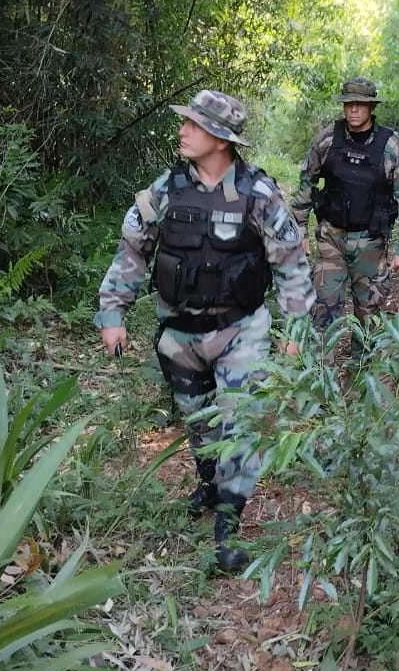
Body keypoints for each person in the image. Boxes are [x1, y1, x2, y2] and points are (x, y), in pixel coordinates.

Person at [94, 89, 315, 573]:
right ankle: (210, 480)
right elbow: (133, 250)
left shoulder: (259, 195)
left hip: (242, 330)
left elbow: (292, 265)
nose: (183, 131)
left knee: (241, 420)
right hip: (180, 334)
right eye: (186, 123)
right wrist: (113, 313)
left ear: (221, 138)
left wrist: (296, 328)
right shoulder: (166, 190)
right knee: (199, 421)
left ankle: (229, 521)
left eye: (193, 124)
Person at [290, 77, 399, 359]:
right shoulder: (326, 140)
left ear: (371, 107)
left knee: (368, 313)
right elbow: (305, 185)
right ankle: (323, 377)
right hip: (331, 238)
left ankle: (361, 372)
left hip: (371, 243)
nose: (354, 110)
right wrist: (298, 228)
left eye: (360, 105)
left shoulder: (391, 146)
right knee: (324, 307)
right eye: (349, 104)